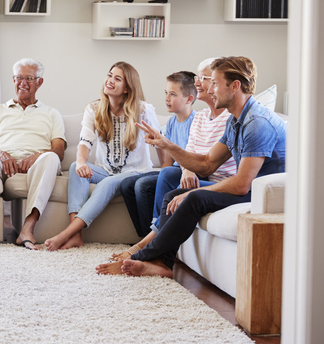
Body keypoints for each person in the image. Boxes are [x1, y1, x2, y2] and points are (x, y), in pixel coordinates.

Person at [118, 56, 286, 278]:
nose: (210, 90)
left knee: (193, 198)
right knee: (174, 195)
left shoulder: (257, 123)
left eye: (215, 83)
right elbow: (207, 164)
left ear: (235, 86)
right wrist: (166, 143)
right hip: (249, 188)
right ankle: (163, 263)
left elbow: (242, 185)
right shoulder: (236, 120)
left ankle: (141, 256)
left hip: (263, 194)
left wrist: (195, 192)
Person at [96, 58, 238, 274]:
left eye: (205, 79)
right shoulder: (200, 119)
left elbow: (209, 164)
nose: (198, 82)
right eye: (198, 78)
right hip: (197, 174)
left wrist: (179, 160)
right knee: (154, 179)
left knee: (162, 179)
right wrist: (187, 167)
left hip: (215, 179)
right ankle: (152, 246)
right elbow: (189, 157)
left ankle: (147, 248)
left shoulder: (232, 120)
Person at [44, 62, 161, 251]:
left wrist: (165, 169)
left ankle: (66, 233)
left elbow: (160, 140)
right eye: (109, 75)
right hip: (106, 170)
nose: (110, 81)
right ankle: (76, 236)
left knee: (107, 183)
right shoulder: (94, 109)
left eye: (117, 78)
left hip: (137, 172)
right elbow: (85, 142)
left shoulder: (143, 110)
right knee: (75, 167)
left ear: (127, 88)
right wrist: (81, 161)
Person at [0, 58, 66, 250]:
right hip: (2, 162)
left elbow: (59, 150)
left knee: (51, 157)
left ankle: (27, 229)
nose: (23, 83)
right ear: (13, 80)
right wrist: (0, 154)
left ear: (40, 82)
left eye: (29, 78)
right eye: (19, 77)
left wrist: (38, 155)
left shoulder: (52, 114)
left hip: (36, 164)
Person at [120, 71, 197, 237]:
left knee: (143, 185)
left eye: (173, 94)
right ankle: (144, 236)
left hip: (187, 172)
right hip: (172, 172)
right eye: (166, 93)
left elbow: (195, 159)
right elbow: (167, 162)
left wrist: (166, 173)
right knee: (127, 185)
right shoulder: (171, 123)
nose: (167, 98)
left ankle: (156, 234)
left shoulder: (196, 122)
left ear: (189, 99)